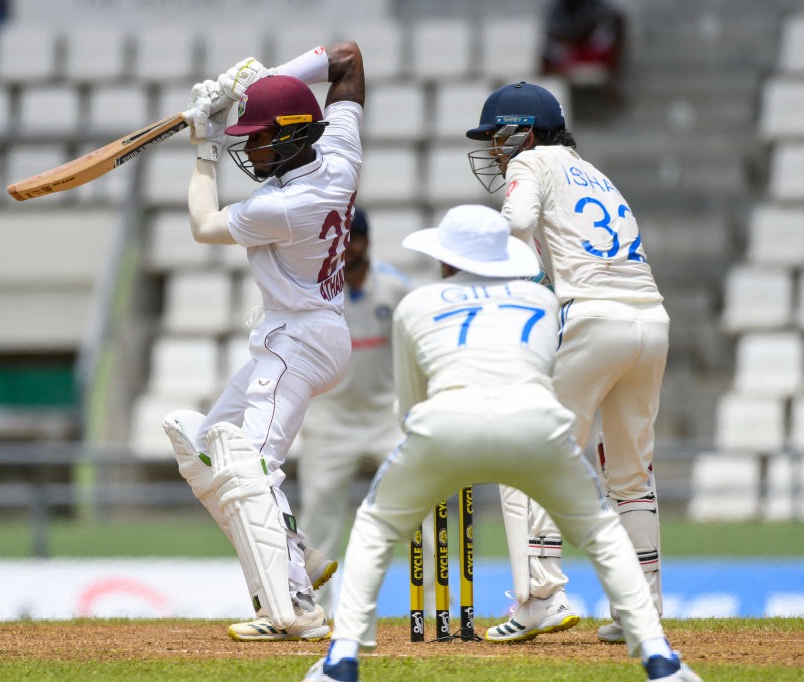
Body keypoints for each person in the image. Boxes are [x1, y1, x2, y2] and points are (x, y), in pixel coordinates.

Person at [300, 204, 700, 682]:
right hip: (537, 425)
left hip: (444, 424)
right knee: (601, 532)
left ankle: (342, 660)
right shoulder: (543, 303)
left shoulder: (415, 304)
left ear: (447, 260)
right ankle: (660, 659)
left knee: (375, 526)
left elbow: (409, 404)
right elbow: (544, 370)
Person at [161, 41, 365, 642]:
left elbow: (203, 226)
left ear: (295, 136)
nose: (247, 147)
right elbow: (348, 59)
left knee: (251, 463)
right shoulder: (339, 151)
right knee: (199, 446)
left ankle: (293, 608)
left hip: (299, 339)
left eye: (256, 136)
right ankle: (294, 562)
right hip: (303, 331)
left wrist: (203, 149)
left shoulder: (283, 204)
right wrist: (259, 83)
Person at [466, 81, 669, 645]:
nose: (495, 153)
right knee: (631, 473)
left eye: (498, 139)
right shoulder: (594, 173)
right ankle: (641, 609)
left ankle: (539, 599)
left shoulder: (530, 163)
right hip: (652, 318)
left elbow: (515, 223)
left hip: (592, 318)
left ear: (524, 133)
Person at [296, 208, 412, 616]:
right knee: (318, 515)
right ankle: (314, 611)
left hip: (387, 417)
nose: (348, 249)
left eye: (354, 239)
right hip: (331, 420)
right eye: (340, 242)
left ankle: (437, 609)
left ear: (365, 241)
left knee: (424, 508)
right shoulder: (315, 293)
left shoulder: (396, 290)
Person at [540, 0, 627, 105]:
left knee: (616, 27)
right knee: (548, 49)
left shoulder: (598, 6)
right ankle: (549, 83)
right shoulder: (557, 8)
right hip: (569, 50)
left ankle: (611, 81)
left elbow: (615, 21)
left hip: (590, 48)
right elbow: (553, 34)